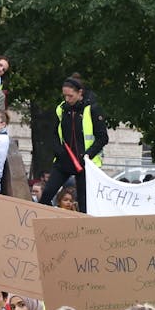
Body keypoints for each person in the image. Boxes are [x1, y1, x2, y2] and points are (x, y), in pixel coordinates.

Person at [34, 76, 109, 212]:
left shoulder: (92, 109)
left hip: (85, 163)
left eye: (70, 96)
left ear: (80, 93)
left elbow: (103, 138)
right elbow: (55, 134)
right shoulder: (61, 109)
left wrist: (88, 155)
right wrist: (59, 151)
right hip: (64, 160)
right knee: (47, 194)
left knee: (84, 202)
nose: (67, 99)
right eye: (65, 96)